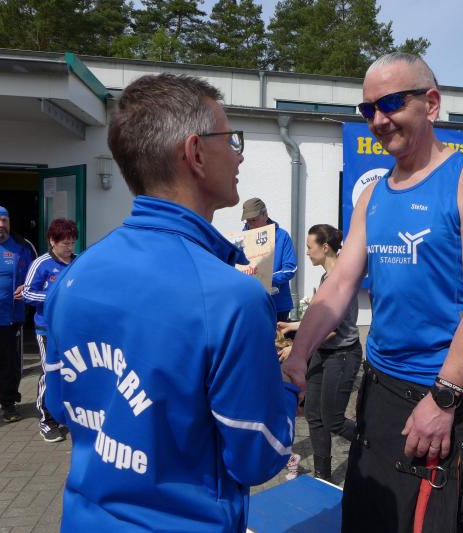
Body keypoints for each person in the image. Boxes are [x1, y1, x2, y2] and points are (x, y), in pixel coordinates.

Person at [42, 73, 298, 531]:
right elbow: (258, 457)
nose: (239, 155)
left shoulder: (74, 277)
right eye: (231, 140)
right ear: (196, 153)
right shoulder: (231, 299)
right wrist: (290, 382)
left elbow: (61, 406)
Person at [283, 52, 463, 533]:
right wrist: (299, 354)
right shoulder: (373, 196)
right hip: (380, 393)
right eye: (367, 109)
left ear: (430, 103)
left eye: (391, 103)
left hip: (449, 400)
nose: (378, 119)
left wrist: (443, 399)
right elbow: (341, 282)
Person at [278, 224, 362, 482]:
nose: (306, 252)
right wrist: (293, 326)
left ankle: (372, 447)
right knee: (313, 415)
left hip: (342, 355)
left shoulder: (340, 278)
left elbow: (332, 329)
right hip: (323, 353)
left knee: (333, 420)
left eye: (309, 246)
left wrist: (296, 348)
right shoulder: (327, 277)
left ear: (325, 247)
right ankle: (322, 476)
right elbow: (319, 319)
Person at [0, 205, 36, 422]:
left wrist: (27, 286)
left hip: (9, 318)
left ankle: (9, 405)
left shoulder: (22, 246)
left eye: (5, 220)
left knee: (9, 365)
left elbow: (35, 274)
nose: (1, 225)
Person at [22, 218, 78, 443]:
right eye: (65, 243)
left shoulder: (79, 262)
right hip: (47, 329)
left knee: (73, 371)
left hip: (72, 329)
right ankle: (47, 420)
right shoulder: (41, 264)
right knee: (50, 373)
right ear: (52, 241)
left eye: (72, 243)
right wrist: (55, 296)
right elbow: (27, 293)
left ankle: (70, 415)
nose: (70, 248)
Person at [240, 197, 297, 321]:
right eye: (247, 221)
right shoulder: (240, 240)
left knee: (277, 334)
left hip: (278, 304)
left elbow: (290, 269)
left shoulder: (282, 236)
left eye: (254, 220)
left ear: (265, 215)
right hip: (250, 303)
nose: (250, 225)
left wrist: (267, 278)